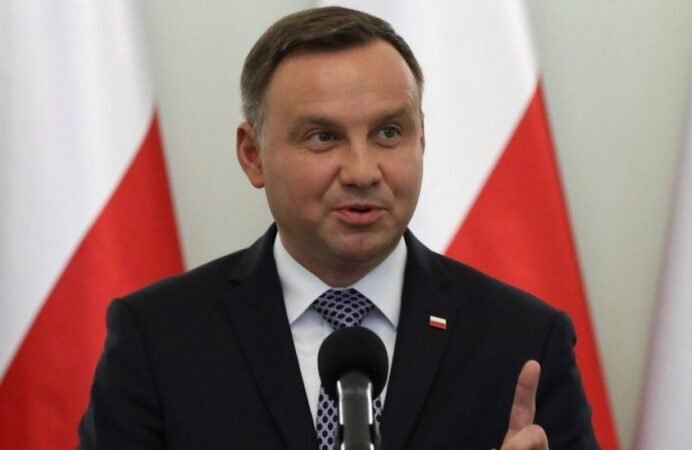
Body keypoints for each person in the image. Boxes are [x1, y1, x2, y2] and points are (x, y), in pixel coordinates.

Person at [78, 6, 597, 450]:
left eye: (388, 132)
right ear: (253, 155)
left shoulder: (524, 341)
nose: (362, 171)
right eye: (323, 137)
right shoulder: (160, 338)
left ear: (421, 141)